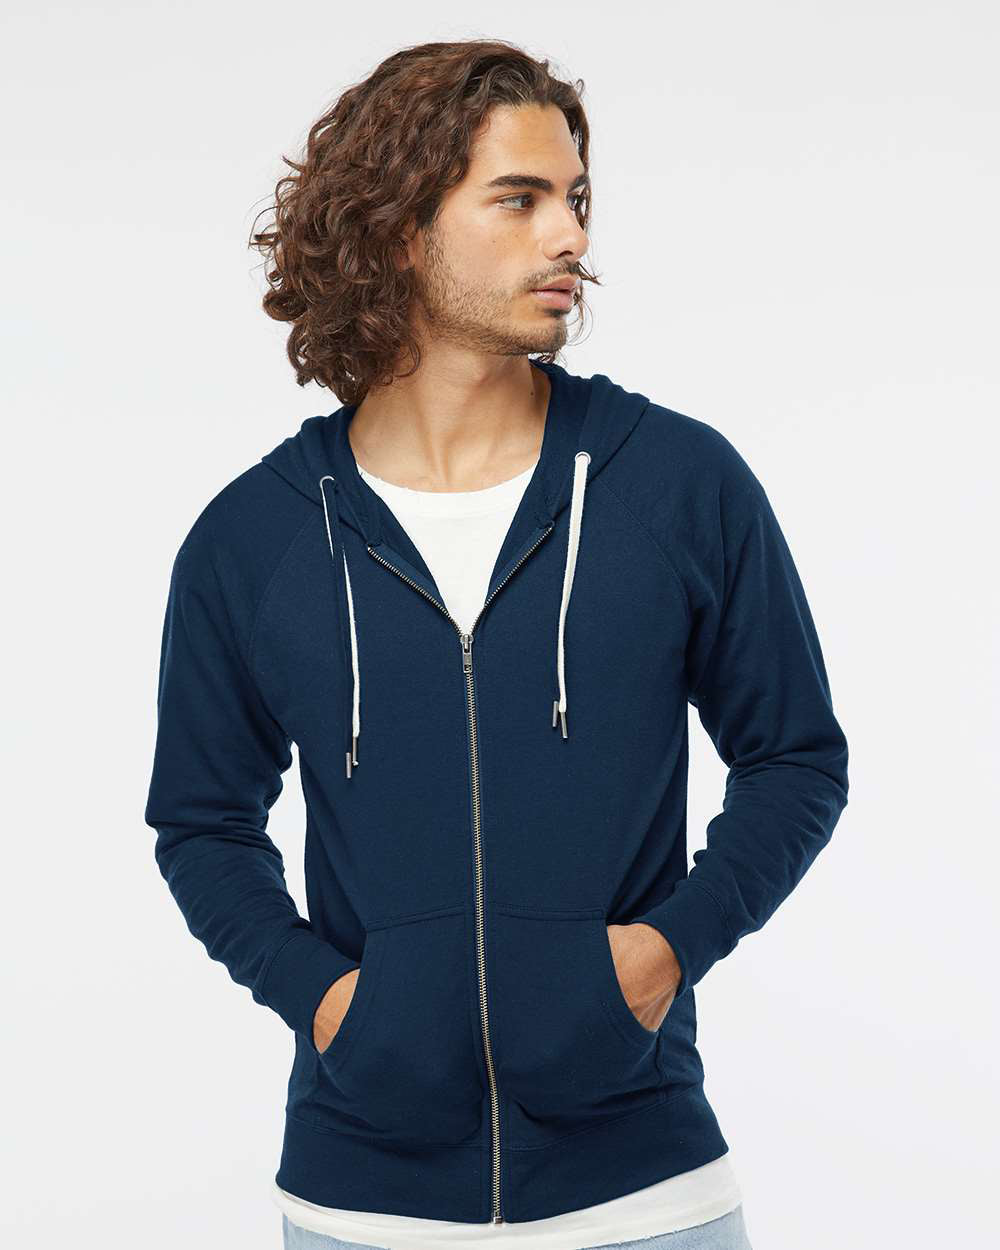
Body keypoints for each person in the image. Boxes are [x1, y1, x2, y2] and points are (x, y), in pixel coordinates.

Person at [144, 38, 848, 1250]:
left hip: (644, 1189)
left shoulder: (672, 484)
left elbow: (794, 757)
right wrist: (326, 999)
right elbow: (202, 822)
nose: (570, 235)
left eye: (575, 198)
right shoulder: (257, 537)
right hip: (361, 1200)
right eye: (518, 200)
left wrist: (666, 950)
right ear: (398, 230)